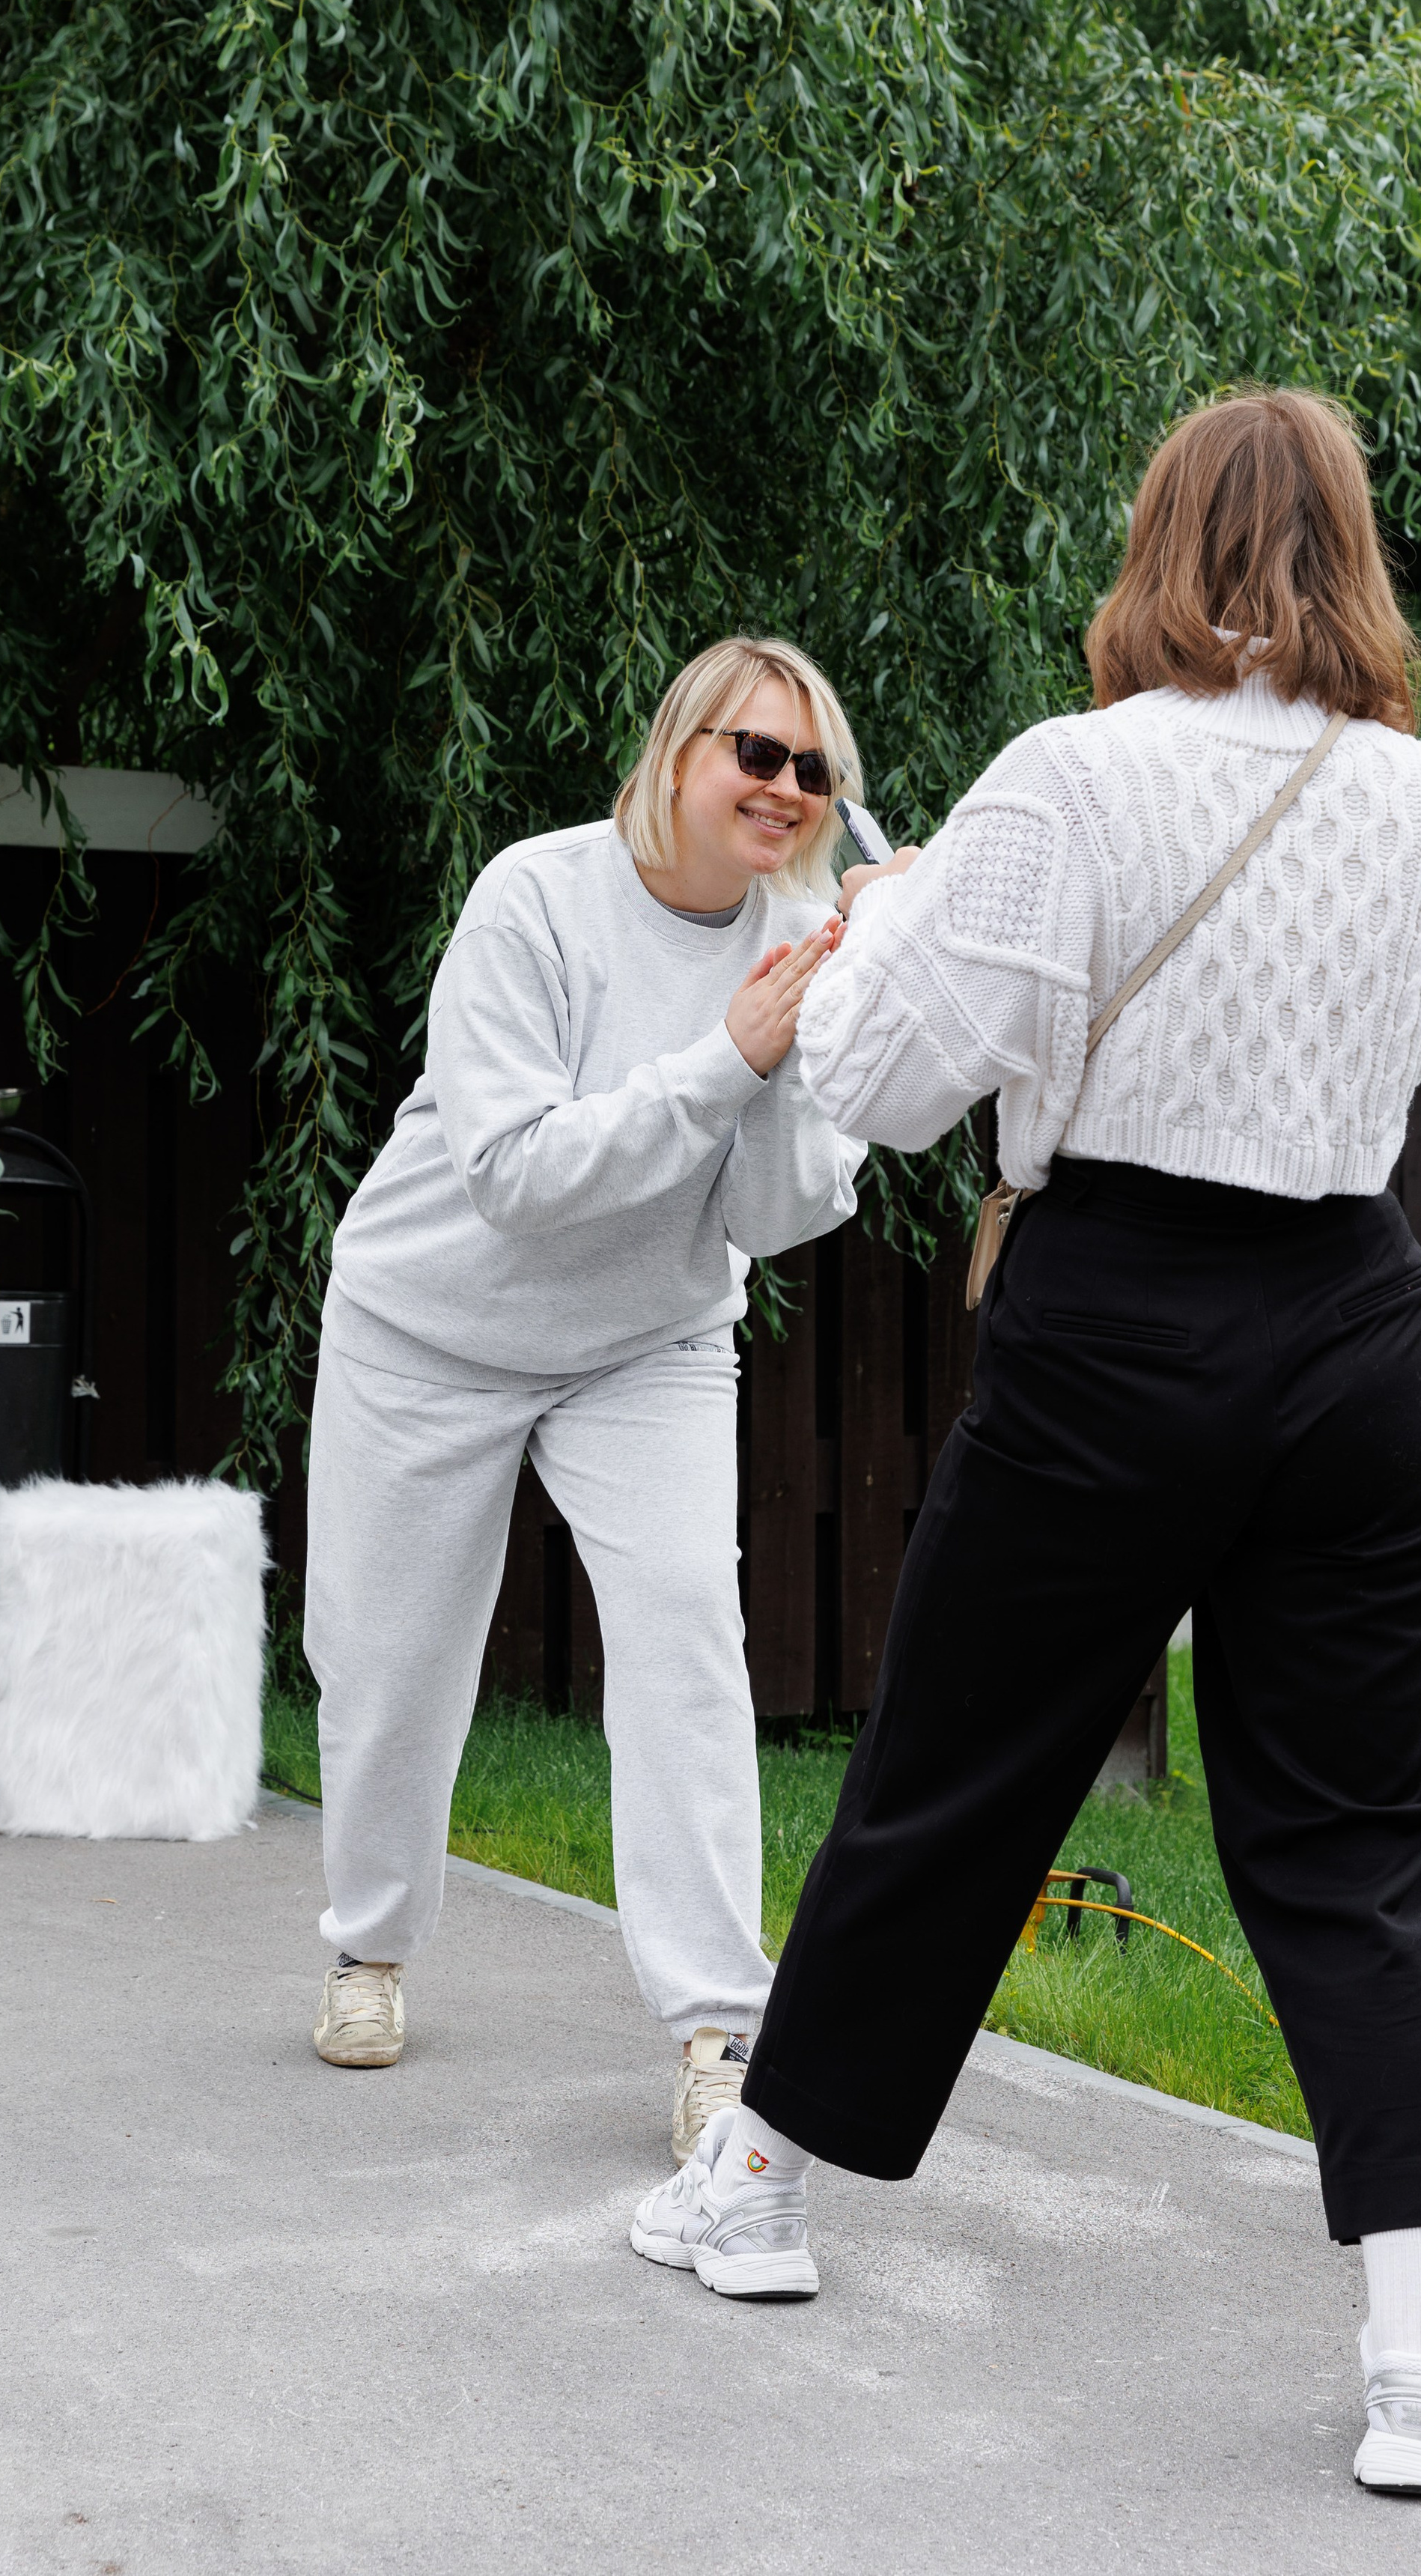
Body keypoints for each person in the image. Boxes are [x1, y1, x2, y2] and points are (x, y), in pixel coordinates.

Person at [630, 392, 1421, 2494]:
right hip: (1353, 1319)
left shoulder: (1069, 779)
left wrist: (892, 925)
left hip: (1117, 1315)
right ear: (1354, 554)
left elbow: (879, 1077)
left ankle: (754, 2187)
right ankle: (1419, 2355)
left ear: (1161, 542)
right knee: (1357, 1830)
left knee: (957, 1772)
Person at [304, 635, 866, 2166]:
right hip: (431, 1323)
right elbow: (515, 1175)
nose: (786, 788)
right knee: (387, 1664)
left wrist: (801, 1049)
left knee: (687, 1640)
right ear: (678, 751)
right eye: (757, 753)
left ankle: (716, 2029)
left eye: (811, 771)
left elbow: (780, 1212)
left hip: (650, 1339)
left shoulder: (804, 932)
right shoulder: (536, 899)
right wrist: (723, 1056)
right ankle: (368, 1945)